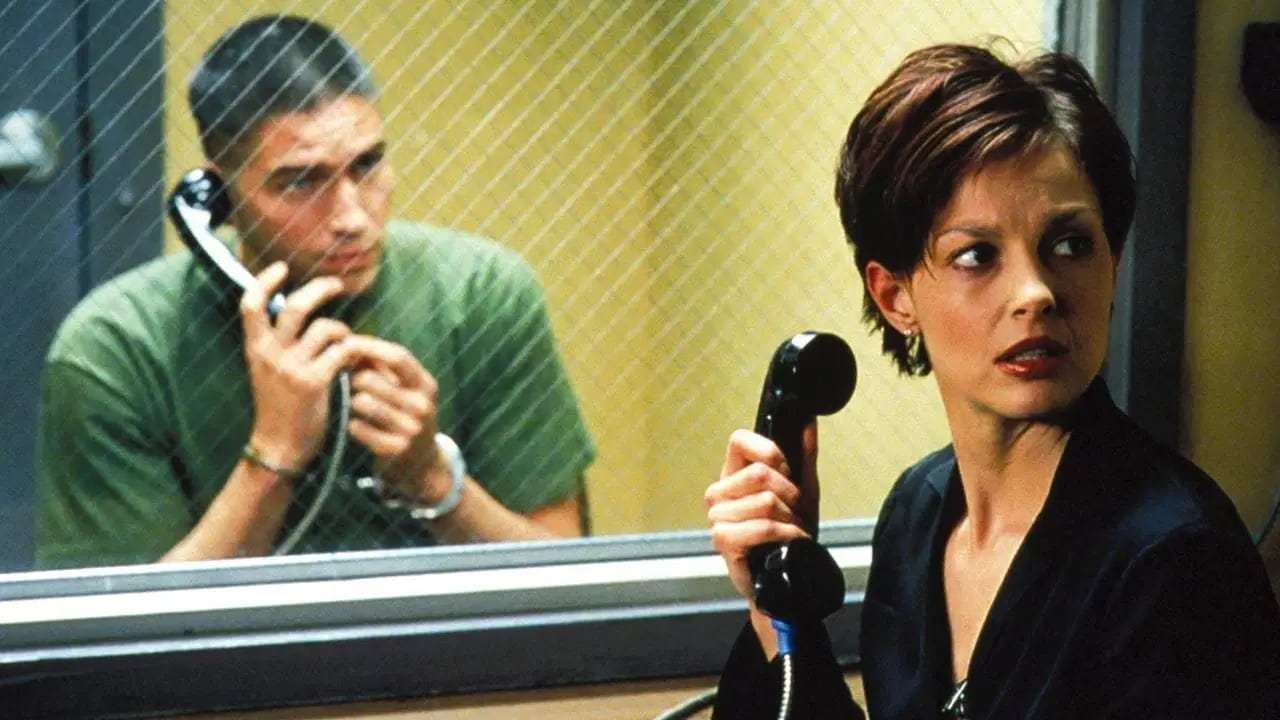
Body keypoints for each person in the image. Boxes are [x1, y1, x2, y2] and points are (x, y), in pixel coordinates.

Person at [705, 44, 1280, 719]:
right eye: (977, 255)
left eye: (1070, 245)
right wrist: (776, 601)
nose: (1036, 292)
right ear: (895, 297)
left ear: (1113, 263)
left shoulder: (1175, 558)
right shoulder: (916, 514)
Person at [35, 15, 595, 568]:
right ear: (220, 195)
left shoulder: (480, 295)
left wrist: (433, 482)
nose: (352, 218)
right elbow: (128, 619)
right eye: (301, 182)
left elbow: (561, 576)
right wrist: (274, 456)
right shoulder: (119, 347)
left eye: (367, 166)